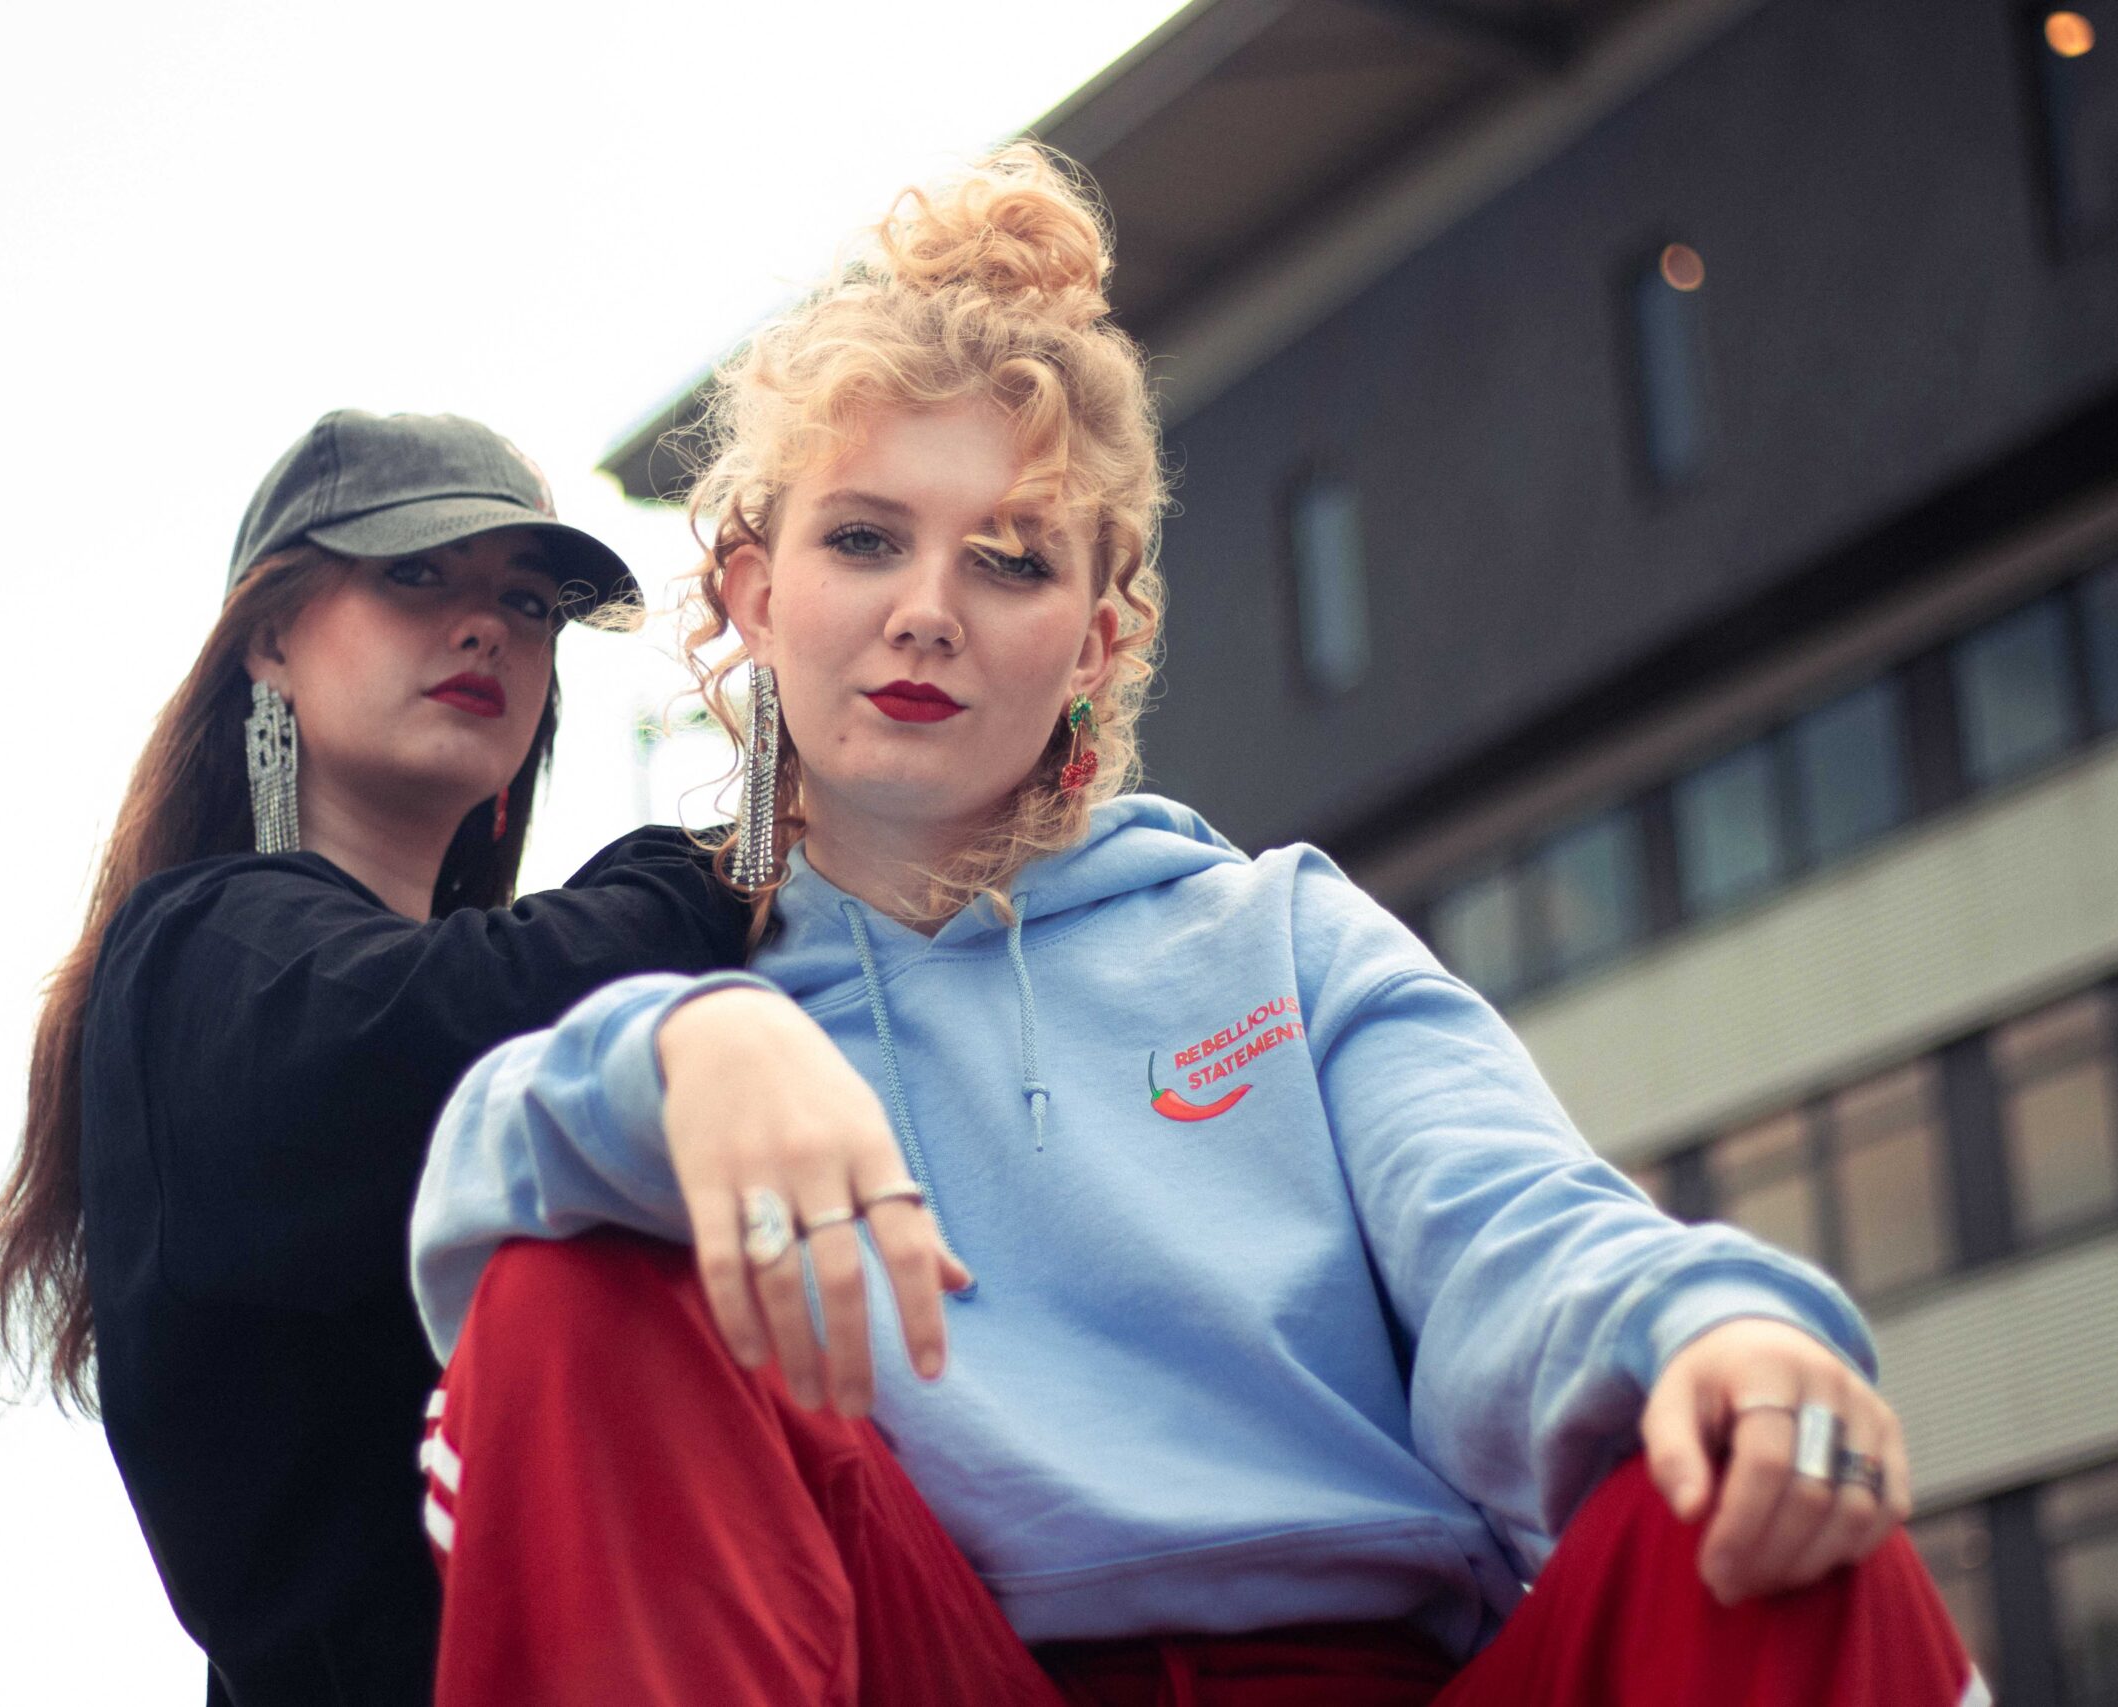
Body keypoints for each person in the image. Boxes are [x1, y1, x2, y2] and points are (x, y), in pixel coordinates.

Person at [404, 153, 1984, 1706]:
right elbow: (478, 1203)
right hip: (937, 1665)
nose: (928, 610)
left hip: (1368, 1673)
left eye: (1009, 560)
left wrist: (1710, 1331)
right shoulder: (692, 990)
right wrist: (690, 1046)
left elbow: (1517, 1226)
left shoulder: (1279, 936)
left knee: (1759, 1492)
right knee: (570, 1291)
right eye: (865, 539)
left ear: (1097, 640)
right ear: (754, 595)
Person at [0, 409, 749, 1706]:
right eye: (417, 574)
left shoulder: (492, 983)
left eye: (530, 602)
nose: (488, 627)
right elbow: (453, 1025)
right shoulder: (201, 954)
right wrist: (730, 866)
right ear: (269, 639)